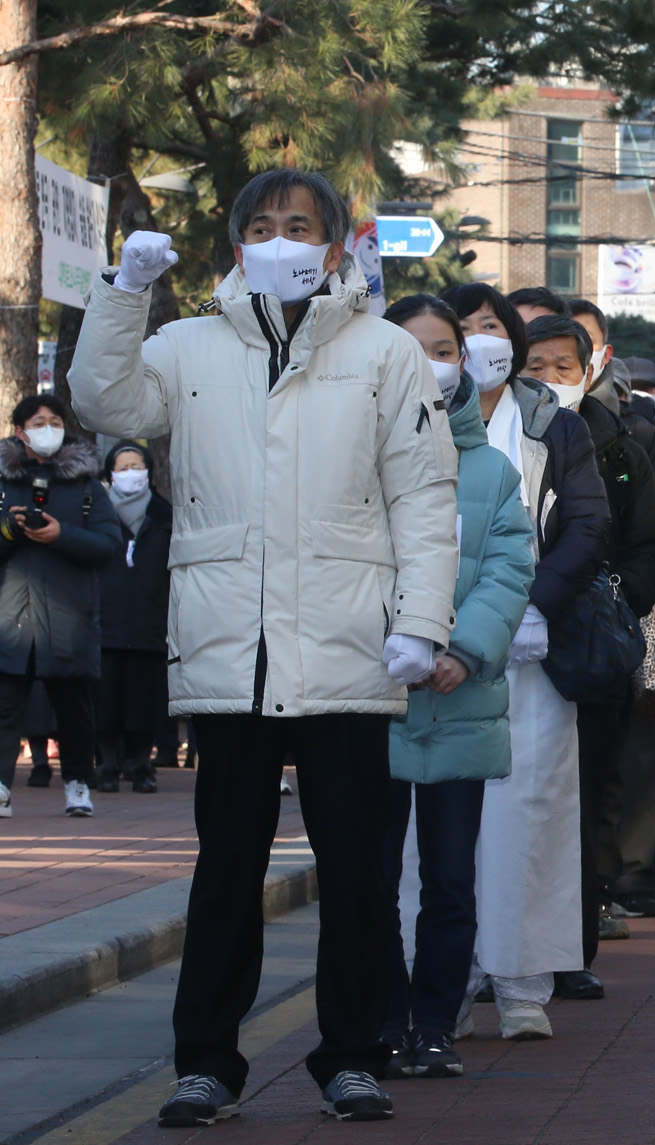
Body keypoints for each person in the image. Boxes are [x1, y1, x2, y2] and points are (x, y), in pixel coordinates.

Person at [71, 169, 459, 1126]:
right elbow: (104, 400)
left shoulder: (381, 352)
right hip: (229, 642)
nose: (280, 239)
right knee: (227, 863)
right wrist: (124, 292)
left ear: (333, 246)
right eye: (261, 224)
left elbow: (422, 494)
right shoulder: (185, 343)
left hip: (345, 639)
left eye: (300, 225)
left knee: (356, 868)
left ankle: (353, 1054)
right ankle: (206, 1059)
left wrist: (422, 620)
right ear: (236, 241)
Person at [440, 282, 610, 1042]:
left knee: (530, 810)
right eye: (463, 330)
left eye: (491, 327)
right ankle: (445, 973)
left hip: (530, 647)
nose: (481, 341)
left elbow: (585, 522)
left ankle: (523, 979)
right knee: (439, 822)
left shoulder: (550, 422)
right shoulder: (412, 413)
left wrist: (535, 604)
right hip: (434, 646)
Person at [378, 294, 535, 1080]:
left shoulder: (495, 472)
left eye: (445, 348)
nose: (435, 361)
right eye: (415, 347)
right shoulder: (348, 454)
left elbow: (510, 569)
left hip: (459, 695)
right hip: (369, 697)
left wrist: (463, 651)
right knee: (366, 876)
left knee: (447, 877)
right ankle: (375, 1019)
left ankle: (435, 1021)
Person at [519, 314, 655, 993]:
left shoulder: (623, 448)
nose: (548, 378)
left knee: (585, 801)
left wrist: (616, 603)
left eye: (562, 366)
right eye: (535, 365)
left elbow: (654, 543)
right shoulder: (485, 435)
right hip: (506, 644)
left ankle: (571, 946)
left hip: (589, 651)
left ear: (589, 370)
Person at [0, 396, 121, 820]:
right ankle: (1, 787)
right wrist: (9, 530)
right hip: (11, 619)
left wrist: (61, 535)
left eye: (54, 422)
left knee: (75, 711)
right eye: (38, 422)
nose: (47, 429)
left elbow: (109, 544)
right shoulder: (3, 482)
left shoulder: (86, 485)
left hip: (71, 619)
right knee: (5, 708)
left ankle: (77, 785)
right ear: (19, 430)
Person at [96, 441, 173, 795]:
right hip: (104, 623)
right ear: (110, 473)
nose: (131, 473)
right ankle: (107, 765)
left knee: (145, 700)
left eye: (136, 466)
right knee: (105, 699)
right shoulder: (97, 514)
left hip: (149, 621)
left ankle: (142, 764)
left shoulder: (163, 514)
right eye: (123, 467)